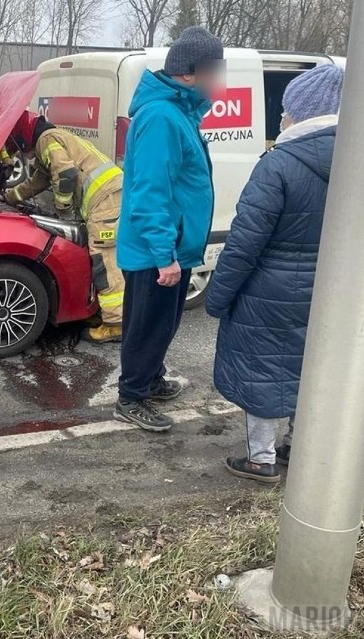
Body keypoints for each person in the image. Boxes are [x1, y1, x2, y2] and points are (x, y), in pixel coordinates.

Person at [207, 64, 344, 483]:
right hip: (330, 289)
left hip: (270, 290)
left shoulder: (278, 165)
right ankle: (298, 448)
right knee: (310, 367)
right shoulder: (362, 163)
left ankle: (261, 459)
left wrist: (217, 296)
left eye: (286, 109)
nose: (281, 117)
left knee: (262, 370)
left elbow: (245, 242)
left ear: (300, 113)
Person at [113, 26, 224, 432]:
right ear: (193, 72)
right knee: (147, 325)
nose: (221, 80)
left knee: (162, 322)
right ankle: (132, 395)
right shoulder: (162, 117)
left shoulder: (179, 111)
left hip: (172, 247)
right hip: (156, 251)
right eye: (216, 69)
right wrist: (165, 254)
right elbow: (150, 192)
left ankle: (150, 378)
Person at [4, 110, 125, 343]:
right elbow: (39, 181)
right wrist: (10, 197)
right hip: (109, 198)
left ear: (22, 136)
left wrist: (64, 210)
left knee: (104, 259)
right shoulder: (51, 138)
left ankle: (116, 323)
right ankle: (104, 312)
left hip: (107, 200)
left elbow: (66, 174)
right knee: (98, 258)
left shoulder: (46, 140)